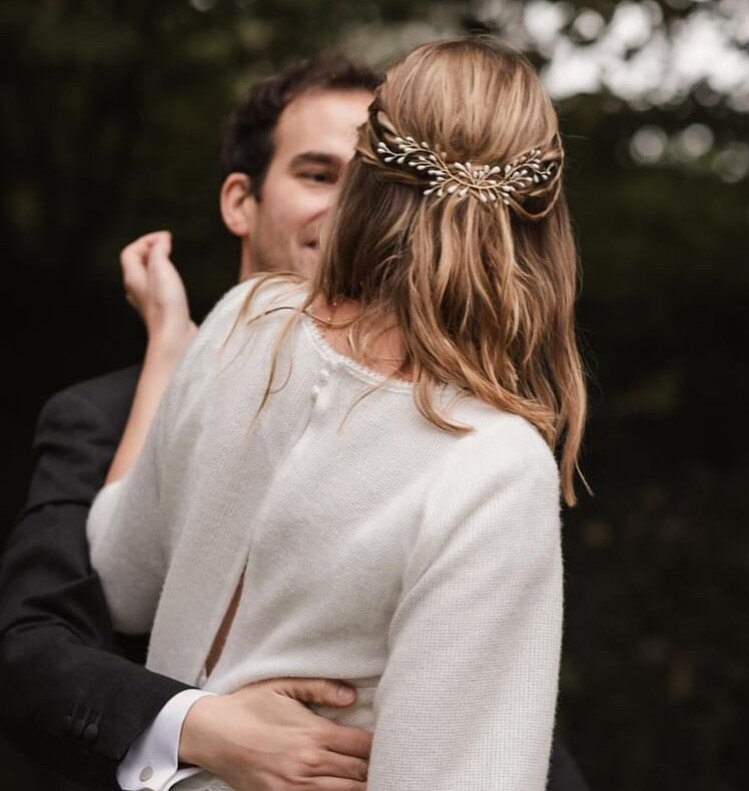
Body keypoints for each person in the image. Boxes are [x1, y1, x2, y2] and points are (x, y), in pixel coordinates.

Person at [86, 37, 588, 791]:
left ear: (369, 172)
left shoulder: (246, 319)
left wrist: (169, 346)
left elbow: (118, 579)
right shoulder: (492, 462)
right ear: (544, 224)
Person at [0, 55, 381, 791]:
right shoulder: (98, 414)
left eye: (373, 185)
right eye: (318, 174)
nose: (350, 209)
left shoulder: (425, 417)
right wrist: (205, 726)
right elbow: (29, 648)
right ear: (240, 201)